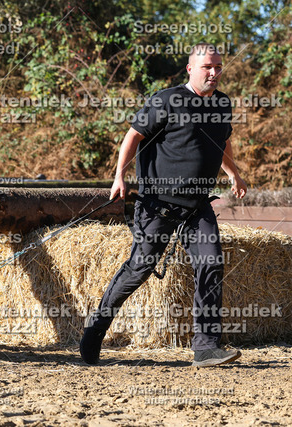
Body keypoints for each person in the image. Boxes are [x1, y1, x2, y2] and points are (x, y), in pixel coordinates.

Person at [80, 43, 247, 367]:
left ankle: (206, 348)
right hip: (158, 205)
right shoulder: (167, 100)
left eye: (218, 67)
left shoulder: (222, 103)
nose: (214, 73)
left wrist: (234, 174)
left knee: (211, 263)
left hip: (197, 206)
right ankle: (95, 330)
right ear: (190, 69)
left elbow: (222, 141)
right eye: (207, 67)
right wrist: (120, 176)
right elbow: (133, 136)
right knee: (138, 270)